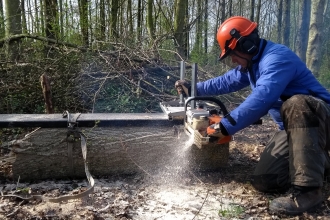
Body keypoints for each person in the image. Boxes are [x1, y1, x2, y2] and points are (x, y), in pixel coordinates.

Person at [175, 16, 330, 215]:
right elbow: (226, 82)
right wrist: (194, 88)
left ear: (246, 45)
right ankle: (320, 163)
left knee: (297, 104)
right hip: (297, 133)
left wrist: (225, 126)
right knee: (266, 179)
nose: (232, 60)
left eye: (233, 54)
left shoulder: (277, 58)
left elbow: (262, 98)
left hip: (323, 121)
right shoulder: (252, 64)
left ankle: (308, 192)